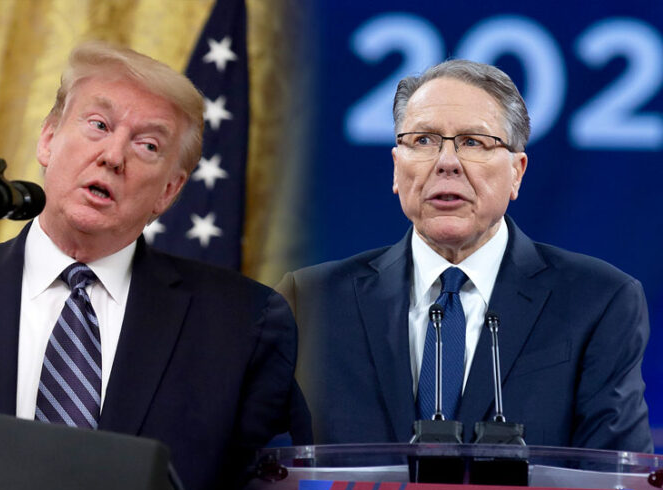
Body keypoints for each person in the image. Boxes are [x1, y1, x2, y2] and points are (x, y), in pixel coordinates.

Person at [0, 41, 309, 490]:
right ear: (48, 139)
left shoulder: (244, 323)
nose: (113, 156)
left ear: (169, 191)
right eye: (98, 125)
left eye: (148, 145)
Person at [277, 59, 653, 453]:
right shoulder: (309, 302)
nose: (446, 163)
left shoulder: (598, 302)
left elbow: (614, 473)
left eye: (473, 142)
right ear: (396, 167)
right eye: (424, 140)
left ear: (517, 172)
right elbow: (258, 467)